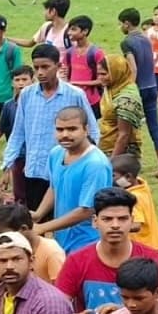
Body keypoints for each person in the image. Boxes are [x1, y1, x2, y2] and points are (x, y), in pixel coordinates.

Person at [2, 44, 99, 211]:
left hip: (64, 171)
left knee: (62, 219)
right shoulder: (26, 95)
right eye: (36, 67)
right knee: (35, 218)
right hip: (34, 169)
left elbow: (93, 131)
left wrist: (83, 161)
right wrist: (7, 163)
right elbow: (18, 133)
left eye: (45, 67)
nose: (40, 72)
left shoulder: (74, 94)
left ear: (58, 66)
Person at [34, 106, 113, 253]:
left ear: (86, 129)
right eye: (59, 129)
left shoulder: (95, 164)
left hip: (87, 240)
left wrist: (43, 227)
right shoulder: (56, 153)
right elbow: (54, 187)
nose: (65, 134)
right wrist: (38, 214)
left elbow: (86, 210)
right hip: (62, 238)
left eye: (72, 129)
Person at [116, 8, 158, 177]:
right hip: (152, 87)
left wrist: (129, 87)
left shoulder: (127, 42)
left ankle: (127, 167)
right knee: (154, 128)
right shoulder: (147, 38)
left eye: (120, 23)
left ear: (127, 23)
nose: (120, 27)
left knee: (128, 130)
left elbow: (133, 67)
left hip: (138, 89)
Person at [112, 154, 158, 251]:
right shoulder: (142, 185)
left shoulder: (132, 198)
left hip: (142, 246)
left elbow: (136, 226)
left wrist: (112, 228)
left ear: (128, 177)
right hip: (153, 241)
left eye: (113, 175)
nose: (110, 179)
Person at [97, 55, 143, 159]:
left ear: (117, 73)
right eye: (98, 74)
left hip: (120, 152)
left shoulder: (127, 99)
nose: (100, 78)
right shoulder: (112, 88)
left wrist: (112, 163)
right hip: (107, 145)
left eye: (104, 74)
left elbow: (124, 135)